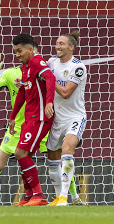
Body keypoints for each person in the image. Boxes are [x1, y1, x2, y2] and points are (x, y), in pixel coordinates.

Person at [0, 53, 81, 206]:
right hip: (17, 129)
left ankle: (73, 198)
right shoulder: (11, 73)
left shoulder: (43, 70)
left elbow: (52, 83)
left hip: (38, 126)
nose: (21, 56)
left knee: (58, 160)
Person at [8, 33, 55, 206]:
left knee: (20, 153)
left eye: (20, 51)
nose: (17, 55)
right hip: (30, 117)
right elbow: (22, 92)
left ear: (30, 49)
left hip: (41, 117)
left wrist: (49, 101)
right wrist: (13, 117)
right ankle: (29, 196)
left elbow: (50, 77)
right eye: (15, 51)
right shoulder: (26, 66)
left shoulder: (36, 61)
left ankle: (39, 195)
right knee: (23, 154)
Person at [45, 31, 88, 206]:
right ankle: (61, 197)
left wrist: (49, 77)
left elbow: (65, 92)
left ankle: (64, 197)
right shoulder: (51, 62)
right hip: (57, 118)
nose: (57, 46)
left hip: (75, 117)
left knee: (66, 150)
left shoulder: (78, 67)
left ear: (71, 47)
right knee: (52, 159)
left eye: (62, 44)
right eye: (56, 43)